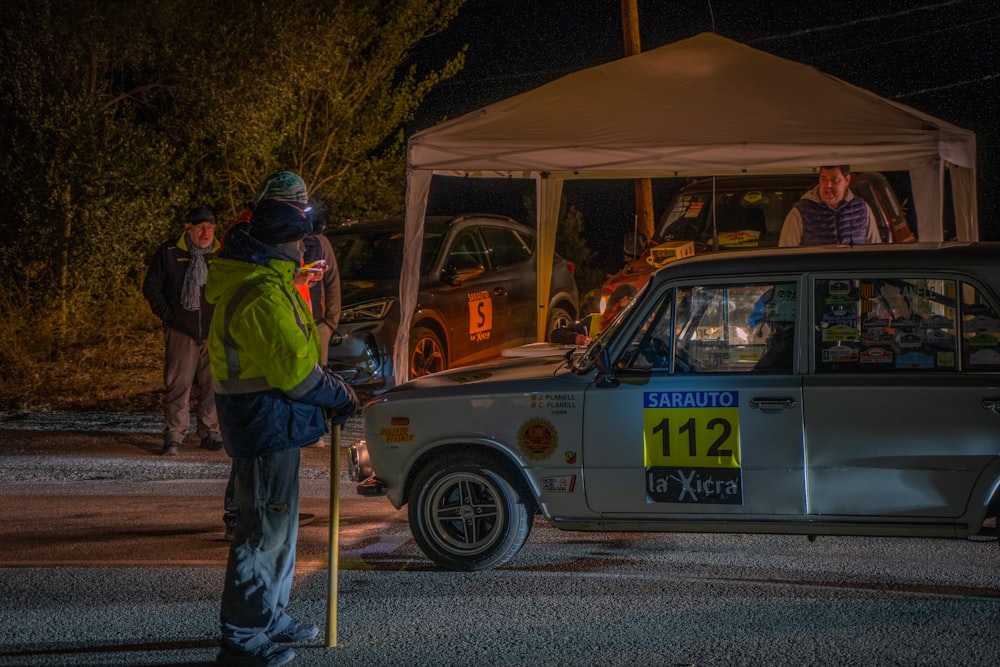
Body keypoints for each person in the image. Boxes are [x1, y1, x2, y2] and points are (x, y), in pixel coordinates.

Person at [206, 198, 358, 666]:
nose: (302, 246)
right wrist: (340, 395)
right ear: (275, 246)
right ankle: (243, 637)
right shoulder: (259, 295)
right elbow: (296, 374)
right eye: (296, 239)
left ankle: (268, 615)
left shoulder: (269, 284)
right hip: (264, 422)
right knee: (263, 535)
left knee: (278, 530)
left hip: (273, 421)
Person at [142, 206, 223, 456]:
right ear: (188, 228)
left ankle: (209, 431)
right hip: (181, 331)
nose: (206, 232)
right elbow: (151, 287)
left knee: (214, 385)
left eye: (210, 227)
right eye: (200, 227)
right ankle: (175, 436)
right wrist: (170, 317)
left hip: (213, 331)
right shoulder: (169, 252)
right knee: (179, 384)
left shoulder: (221, 254)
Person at [778, 165, 882, 247]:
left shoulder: (862, 209)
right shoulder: (801, 211)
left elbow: (875, 249)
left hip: (853, 273)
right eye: (823, 179)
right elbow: (785, 253)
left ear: (847, 180)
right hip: (817, 273)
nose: (828, 185)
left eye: (834, 180)